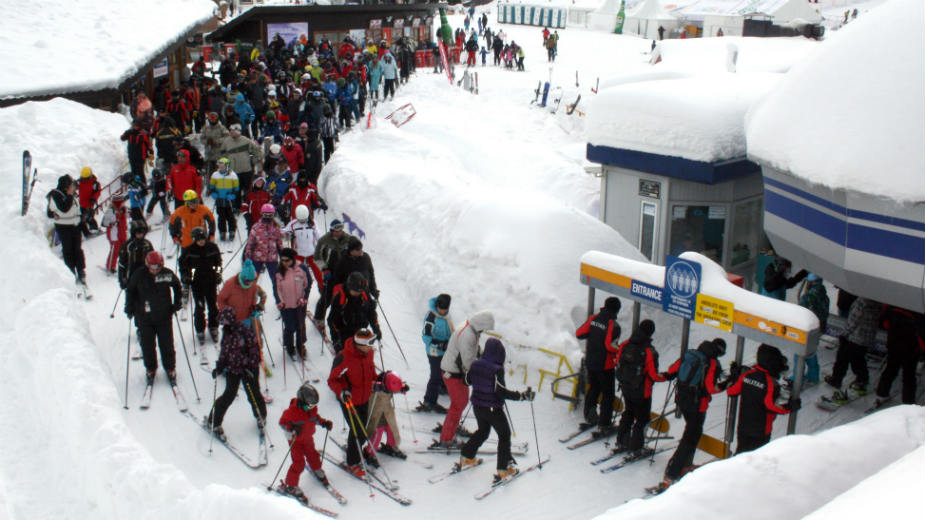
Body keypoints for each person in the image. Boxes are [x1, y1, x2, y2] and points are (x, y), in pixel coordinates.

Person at [459, 338, 535, 483]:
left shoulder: (475, 364)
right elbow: (501, 392)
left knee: (482, 432)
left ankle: (467, 455)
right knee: (504, 435)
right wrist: (522, 396)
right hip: (493, 409)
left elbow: (466, 381)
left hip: (478, 407)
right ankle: (503, 469)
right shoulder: (496, 370)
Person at [661, 339, 731, 484]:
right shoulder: (711, 363)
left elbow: (671, 370)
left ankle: (684, 465)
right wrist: (726, 384)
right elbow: (711, 388)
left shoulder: (690, 354)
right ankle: (673, 471)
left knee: (690, 432)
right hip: (698, 404)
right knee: (691, 437)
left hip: (682, 399)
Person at [436, 310, 495, 449]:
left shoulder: (470, 328)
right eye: (485, 328)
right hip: (453, 372)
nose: (484, 331)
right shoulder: (468, 335)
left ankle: (452, 428)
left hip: (454, 370)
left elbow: (471, 350)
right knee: (458, 405)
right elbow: (467, 362)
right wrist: (480, 372)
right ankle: (446, 438)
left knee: (461, 403)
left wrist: (480, 354)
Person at [206, 307, 267, 438]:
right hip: (233, 369)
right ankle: (214, 421)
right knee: (229, 394)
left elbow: (255, 350)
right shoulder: (226, 334)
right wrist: (220, 367)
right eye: (222, 323)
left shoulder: (244, 330)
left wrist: (250, 365)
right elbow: (224, 353)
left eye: (225, 322)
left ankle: (261, 416)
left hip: (248, 369)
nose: (224, 325)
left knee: (254, 392)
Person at [124, 251, 183, 386]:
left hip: (164, 316)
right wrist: (129, 307)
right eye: (152, 267)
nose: (155, 270)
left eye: (157, 267)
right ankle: (150, 368)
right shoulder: (139, 274)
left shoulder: (166, 274)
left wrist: (177, 303)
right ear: (147, 264)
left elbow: (177, 286)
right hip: (144, 317)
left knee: (167, 343)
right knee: (147, 345)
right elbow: (130, 290)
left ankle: (170, 368)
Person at [328, 329, 380, 476]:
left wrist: (378, 380)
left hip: (364, 397)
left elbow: (370, 370)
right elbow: (332, 380)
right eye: (370, 343)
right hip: (349, 400)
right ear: (360, 344)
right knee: (358, 430)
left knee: (363, 429)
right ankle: (352, 462)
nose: (372, 346)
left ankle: (355, 450)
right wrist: (342, 392)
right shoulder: (344, 357)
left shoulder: (369, 353)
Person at [726, 344, 794, 453]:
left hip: (743, 426)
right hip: (761, 430)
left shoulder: (747, 375)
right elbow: (770, 406)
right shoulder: (770, 382)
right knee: (755, 459)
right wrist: (789, 407)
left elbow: (731, 391)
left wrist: (734, 377)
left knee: (741, 454)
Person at [614, 319, 665, 456]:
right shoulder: (649, 351)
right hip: (643, 390)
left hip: (625, 386)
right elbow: (654, 375)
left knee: (628, 412)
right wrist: (667, 376)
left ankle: (622, 440)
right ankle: (636, 447)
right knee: (642, 418)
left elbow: (618, 362)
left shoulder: (625, 344)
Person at [575, 297, 622, 437]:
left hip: (591, 361)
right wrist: (619, 350)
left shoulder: (594, 318)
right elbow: (610, 346)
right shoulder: (614, 325)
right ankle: (604, 423)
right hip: (605, 365)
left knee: (593, 388)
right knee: (608, 394)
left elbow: (580, 333)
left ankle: (590, 414)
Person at [278, 383, 334, 498]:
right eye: (309, 406)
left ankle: (316, 469)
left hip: (308, 438)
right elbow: (282, 423)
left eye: (313, 405)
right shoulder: (291, 412)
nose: (312, 408)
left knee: (313, 455)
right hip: (295, 441)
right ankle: (291, 485)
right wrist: (292, 428)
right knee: (299, 463)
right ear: (302, 401)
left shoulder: (312, 410)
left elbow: (315, 418)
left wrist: (324, 423)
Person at [824, 297, 881, 396]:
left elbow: (853, 321)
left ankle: (837, 378)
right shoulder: (877, 303)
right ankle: (862, 379)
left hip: (855, 336)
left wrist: (845, 334)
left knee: (842, 358)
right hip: (866, 337)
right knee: (858, 359)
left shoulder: (861, 303)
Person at [179, 227, 223, 344]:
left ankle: (214, 326)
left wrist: (218, 274)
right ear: (194, 239)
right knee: (199, 307)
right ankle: (200, 330)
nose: (201, 241)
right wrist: (186, 276)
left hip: (211, 282)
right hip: (197, 283)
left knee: (213, 305)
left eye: (203, 239)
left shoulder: (212, 248)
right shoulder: (189, 251)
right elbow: (183, 265)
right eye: (198, 239)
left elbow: (218, 262)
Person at [874, 306, 925, 405]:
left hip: (894, 343)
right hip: (910, 348)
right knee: (909, 375)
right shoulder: (918, 312)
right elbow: (921, 333)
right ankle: (908, 401)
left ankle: (881, 394)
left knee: (891, 369)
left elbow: (885, 323)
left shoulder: (893, 306)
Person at [46, 175, 87, 287]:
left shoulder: (72, 194)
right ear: (66, 186)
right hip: (63, 227)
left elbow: (76, 208)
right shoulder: (56, 195)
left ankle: (80, 270)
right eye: (71, 185)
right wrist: (69, 195)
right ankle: (71, 271)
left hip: (75, 225)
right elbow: (64, 208)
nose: (73, 187)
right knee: (68, 249)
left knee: (77, 249)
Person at [327, 272, 381, 352]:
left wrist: (376, 328)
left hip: (361, 329)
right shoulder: (340, 298)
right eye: (355, 291)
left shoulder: (364, 295)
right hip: (345, 331)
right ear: (349, 287)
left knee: (362, 350)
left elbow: (371, 312)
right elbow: (332, 321)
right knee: (347, 351)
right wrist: (336, 340)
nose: (358, 293)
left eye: (360, 291)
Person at [418, 293, 453, 413]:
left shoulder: (447, 317)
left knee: (445, 370)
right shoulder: (431, 317)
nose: (443, 312)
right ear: (437, 306)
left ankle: (443, 388)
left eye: (445, 310)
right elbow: (425, 337)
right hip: (433, 351)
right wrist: (439, 344)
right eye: (441, 309)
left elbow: (450, 331)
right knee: (436, 376)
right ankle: (429, 401)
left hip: (445, 350)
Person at [792, 273, 828, 386]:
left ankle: (797, 378)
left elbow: (799, 313)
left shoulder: (808, 297)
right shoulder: (824, 295)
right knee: (811, 352)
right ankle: (814, 375)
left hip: (806, 329)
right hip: (818, 328)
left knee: (799, 353)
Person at [313, 219, 351, 326]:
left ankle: (343, 318)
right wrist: (324, 269)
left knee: (345, 297)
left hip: (344, 273)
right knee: (327, 297)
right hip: (330, 272)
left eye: (341, 229)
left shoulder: (348, 239)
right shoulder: (324, 240)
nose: (339, 232)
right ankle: (319, 317)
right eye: (336, 229)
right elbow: (317, 257)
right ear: (332, 230)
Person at [276, 248, 311, 360]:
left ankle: (301, 345)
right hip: (286, 305)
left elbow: (308, 284)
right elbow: (276, 288)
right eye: (282, 260)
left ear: (292, 259)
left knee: (300, 325)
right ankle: (290, 346)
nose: (284, 263)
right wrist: (280, 301)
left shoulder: (302, 268)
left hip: (299, 304)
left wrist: (304, 298)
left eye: (287, 260)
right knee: (289, 326)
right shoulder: (279, 271)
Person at [246, 203, 284, 304]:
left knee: (276, 280)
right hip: (257, 258)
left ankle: (280, 300)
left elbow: (279, 243)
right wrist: (248, 258)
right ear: (262, 214)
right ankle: (249, 301)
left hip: (272, 258)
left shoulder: (276, 228)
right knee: (252, 280)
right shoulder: (256, 227)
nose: (267, 217)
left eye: (270, 215)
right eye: (265, 215)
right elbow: (250, 243)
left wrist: (283, 256)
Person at [368, 371, 410, 459]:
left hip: (386, 411)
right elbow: (369, 386)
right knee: (378, 432)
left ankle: (391, 446)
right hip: (376, 413)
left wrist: (401, 388)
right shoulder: (376, 386)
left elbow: (394, 387)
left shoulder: (389, 384)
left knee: (392, 429)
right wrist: (374, 386)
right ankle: (369, 452)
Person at [217, 259, 268, 327]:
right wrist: (226, 311)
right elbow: (221, 299)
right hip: (232, 321)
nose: (249, 283)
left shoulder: (253, 285)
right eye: (247, 281)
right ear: (243, 277)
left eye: (251, 281)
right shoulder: (230, 284)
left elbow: (259, 297)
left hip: (247, 320)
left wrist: (255, 309)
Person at [220, 123, 262, 194]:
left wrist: (254, 160)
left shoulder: (246, 141)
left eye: (233, 130)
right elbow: (222, 155)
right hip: (234, 172)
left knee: (248, 192)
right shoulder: (226, 142)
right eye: (230, 130)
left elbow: (257, 151)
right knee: (236, 194)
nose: (231, 132)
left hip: (246, 171)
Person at [208, 157, 240, 242]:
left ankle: (232, 230)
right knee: (221, 217)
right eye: (219, 166)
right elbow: (212, 187)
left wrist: (233, 196)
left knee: (230, 217)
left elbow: (236, 188)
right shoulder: (215, 175)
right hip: (219, 199)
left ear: (227, 166)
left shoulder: (233, 175)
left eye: (223, 166)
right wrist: (214, 194)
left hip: (229, 200)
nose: (221, 167)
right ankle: (222, 231)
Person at [118, 220, 154, 290]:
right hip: (131, 275)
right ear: (133, 233)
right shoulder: (128, 245)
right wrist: (122, 279)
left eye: (142, 233)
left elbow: (153, 258)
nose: (140, 235)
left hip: (146, 274)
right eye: (138, 233)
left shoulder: (147, 244)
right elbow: (121, 264)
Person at [101, 193, 129, 274]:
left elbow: (127, 217)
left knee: (124, 250)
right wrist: (112, 223)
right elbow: (104, 223)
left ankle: (124, 265)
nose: (124, 203)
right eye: (122, 202)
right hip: (114, 235)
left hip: (122, 233)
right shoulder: (110, 211)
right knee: (115, 251)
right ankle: (110, 266)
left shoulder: (123, 209)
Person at [77, 166, 101, 236]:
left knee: (89, 217)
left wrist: (94, 198)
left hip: (89, 204)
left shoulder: (94, 183)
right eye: (84, 178)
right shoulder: (79, 182)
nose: (85, 179)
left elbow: (98, 191)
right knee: (82, 219)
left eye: (86, 178)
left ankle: (94, 229)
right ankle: (86, 232)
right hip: (81, 204)